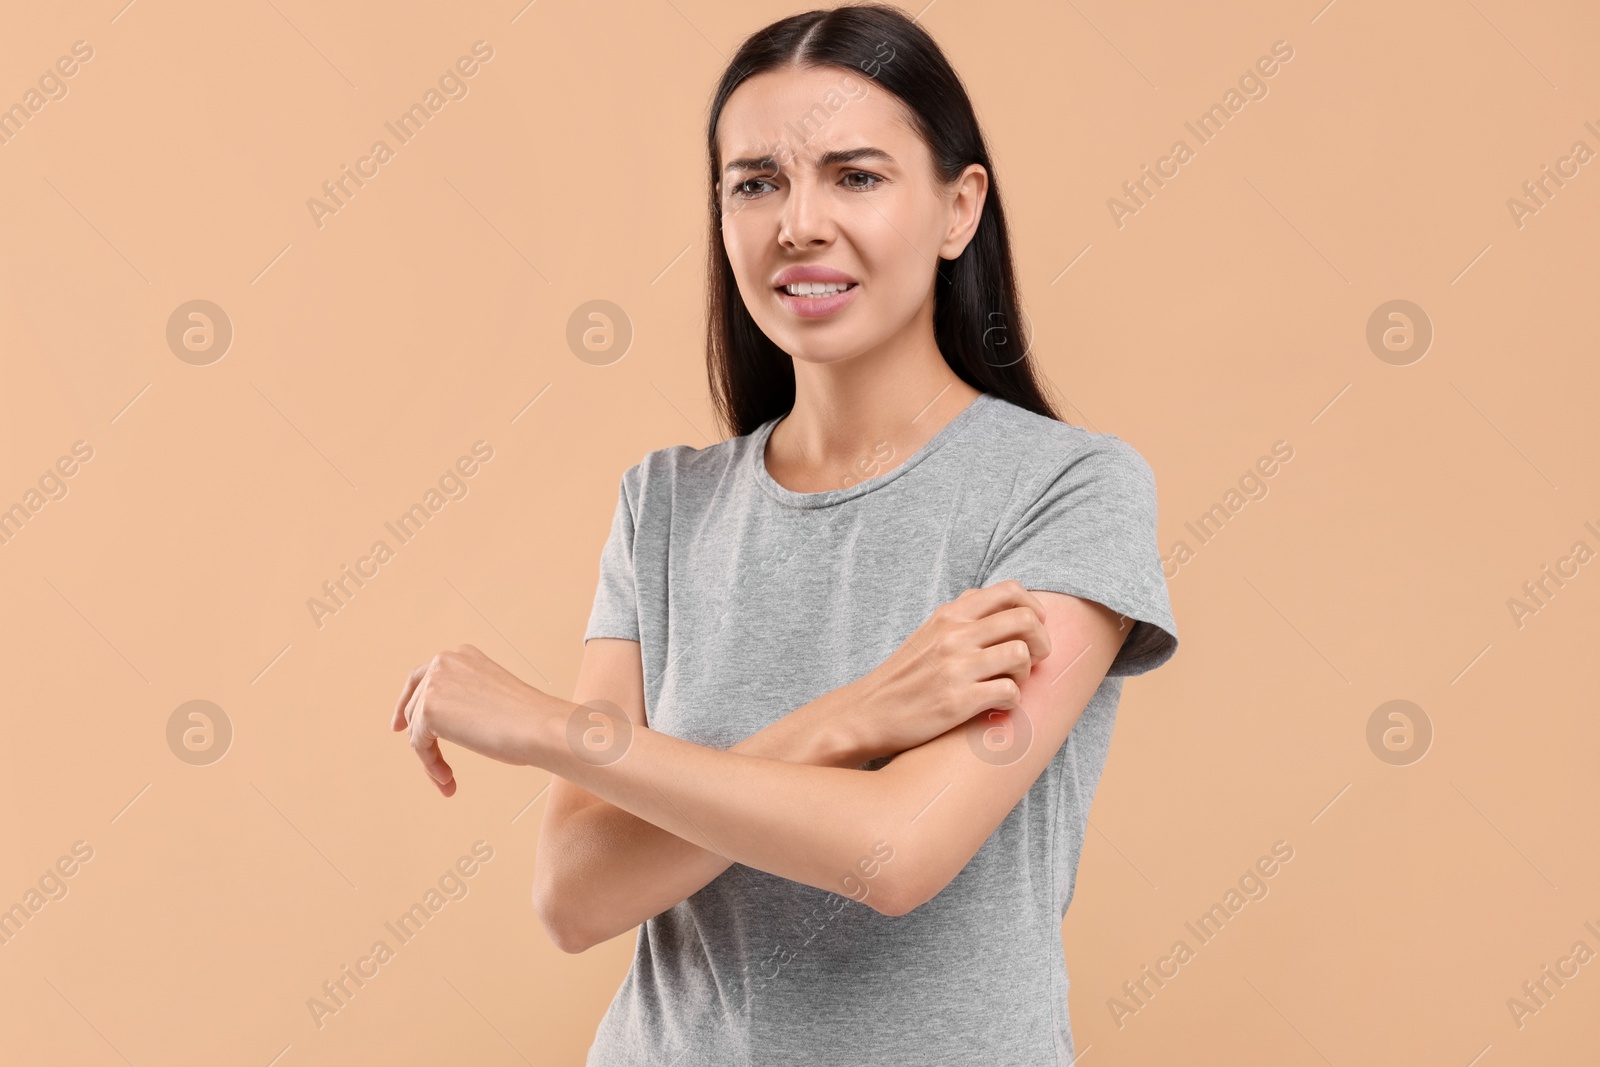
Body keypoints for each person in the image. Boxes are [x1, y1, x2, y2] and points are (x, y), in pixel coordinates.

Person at [390, 4, 1179, 1063]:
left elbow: (895, 851)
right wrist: (853, 715)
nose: (797, 221)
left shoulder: (1070, 490)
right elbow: (576, 893)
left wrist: (548, 727)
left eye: (855, 176)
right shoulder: (663, 505)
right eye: (755, 182)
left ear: (958, 207)